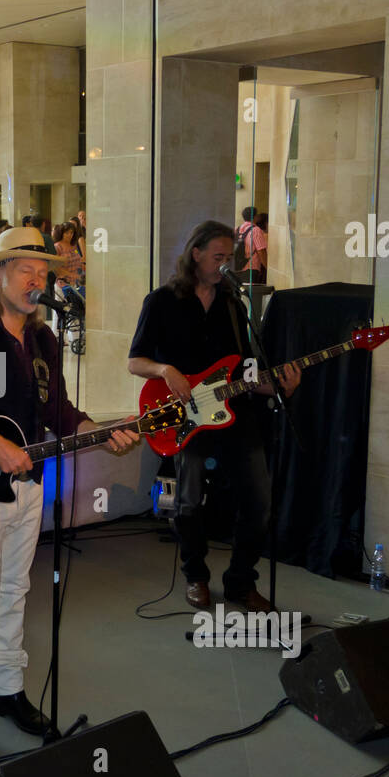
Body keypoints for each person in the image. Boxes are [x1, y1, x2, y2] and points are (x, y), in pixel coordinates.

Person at [0, 227, 138, 762]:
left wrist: (97, 427)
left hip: (29, 487)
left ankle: (8, 693)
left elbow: (54, 410)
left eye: (43, 274)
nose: (37, 281)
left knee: (15, 594)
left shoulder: (43, 340)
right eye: (26, 271)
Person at [127, 220, 299, 613]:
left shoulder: (234, 305)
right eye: (218, 257)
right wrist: (165, 370)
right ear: (196, 254)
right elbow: (135, 361)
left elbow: (246, 373)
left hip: (235, 414)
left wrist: (279, 385)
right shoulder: (162, 301)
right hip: (185, 416)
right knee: (188, 503)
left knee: (258, 502)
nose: (225, 265)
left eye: (230, 258)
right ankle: (195, 576)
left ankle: (241, 582)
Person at [236, 206, 267, 283]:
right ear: (255, 217)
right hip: (251, 267)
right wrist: (267, 268)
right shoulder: (256, 230)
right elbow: (261, 251)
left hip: (237, 267)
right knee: (249, 293)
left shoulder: (237, 229)